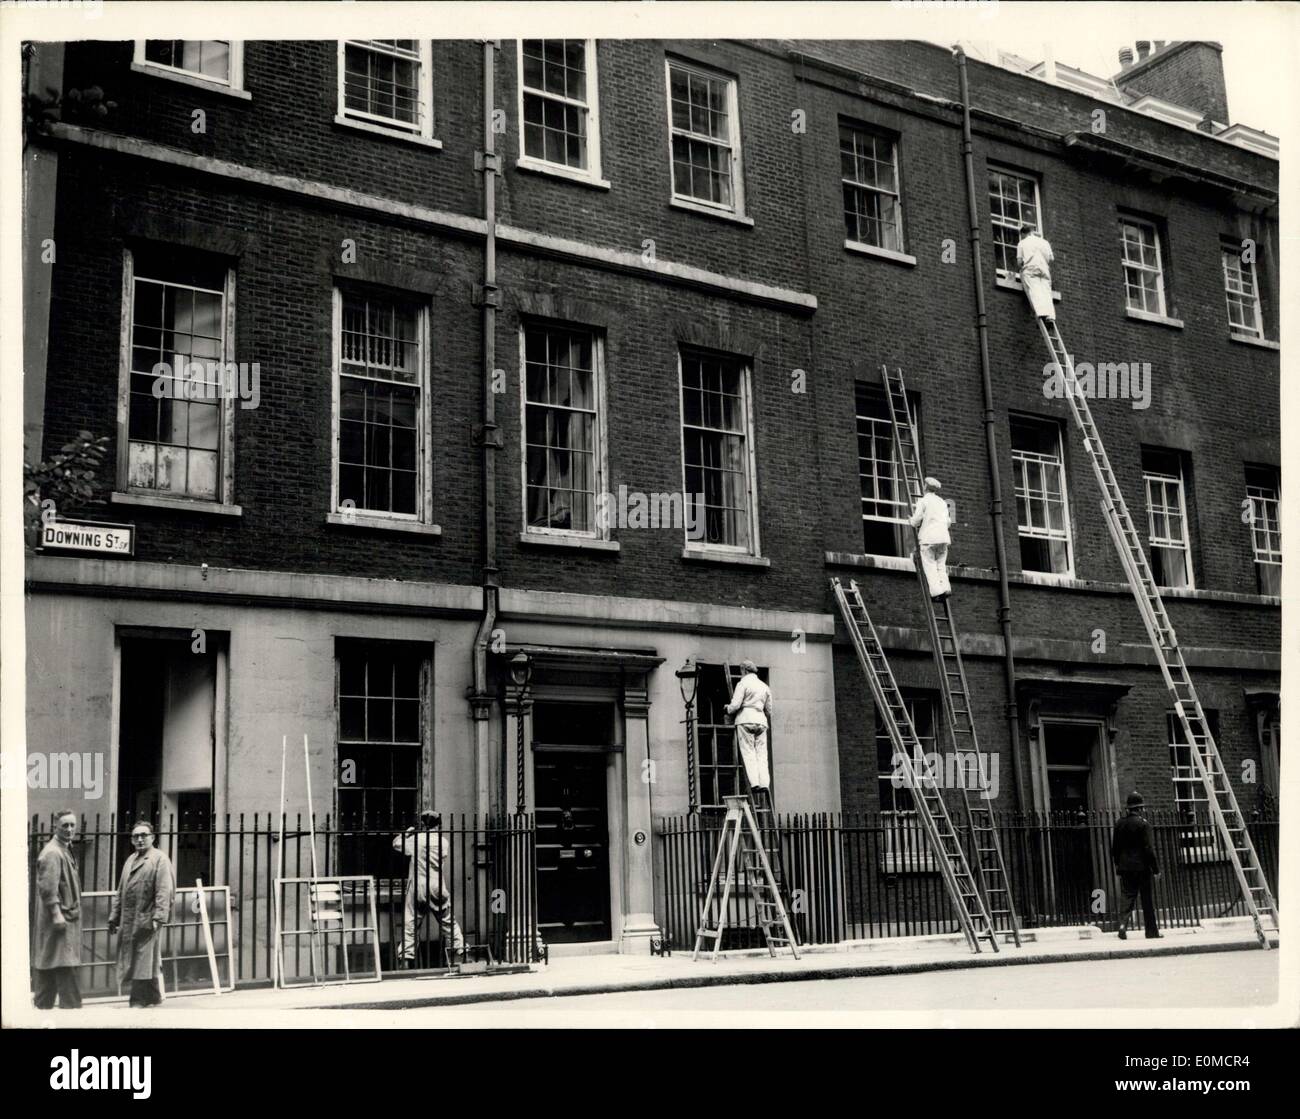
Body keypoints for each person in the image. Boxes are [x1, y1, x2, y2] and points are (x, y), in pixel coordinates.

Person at [108, 821, 175, 1007]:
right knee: (143, 959)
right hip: (129, 920)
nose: (140, 839)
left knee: (142, 959)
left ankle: (137, 1000)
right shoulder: (130, 860)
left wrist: (159, 917)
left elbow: (164, 890)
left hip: (147, 918)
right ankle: (153, 997)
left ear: (152, 837)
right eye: (136, 836)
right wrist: (114, 916)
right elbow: (121, 890)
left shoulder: (160, 859)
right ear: (131, 839)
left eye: (144, 835)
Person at [393, 812, 465, 967]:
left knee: (411, 922)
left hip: (418, 884)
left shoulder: (416, 840)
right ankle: (459, 952)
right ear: (438, 824)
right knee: (447, 921)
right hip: (437, 884)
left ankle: (406, 958)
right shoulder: (443, 842)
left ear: (423, 824)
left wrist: (407, 834)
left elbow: (397, 844)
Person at [33, 810, 83, 1009]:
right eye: (65, 826)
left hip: (63, 919)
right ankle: (67, 1010)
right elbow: (48, 888)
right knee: (64, 966)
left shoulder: (63, 849)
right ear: (56, 827)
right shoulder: (53, 852)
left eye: (72, 825)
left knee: (51, 964)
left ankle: (43, 1008)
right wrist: (56, 914)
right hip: (60, 921)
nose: (70, 829)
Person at [1111, 791, 1162, 940]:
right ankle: (1151, 932)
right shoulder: (1144, 824)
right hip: (1142, 868)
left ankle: (1122, 925)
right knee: (1146, 899)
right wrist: (1156, 869)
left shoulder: (1119, 824)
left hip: (1125, 867)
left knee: (1127, 896)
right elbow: (1148, 849)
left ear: (1128, 808)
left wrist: (1118, 863)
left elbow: (1115, 848)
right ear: (1139, 808)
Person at [725, 660, 774, 809]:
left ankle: (755, 783)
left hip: (745, 719)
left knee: (748, 752)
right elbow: (770, 709)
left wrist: (727, 709)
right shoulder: (765, 686)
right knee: (762, 754)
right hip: (761, 721)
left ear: (744, 670)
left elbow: (735, 705)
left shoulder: (742, 684)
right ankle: (765, 783)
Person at [909, 476, 952, 601]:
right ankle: (946, 587)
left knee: (930, 565)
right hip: (943, 538)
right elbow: (948, 522)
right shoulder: (943, 502)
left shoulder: (923, 501)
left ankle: (937, 592)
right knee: (940, 565)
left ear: (925, 487)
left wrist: (910, 521)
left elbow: (916, 520)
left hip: (929, 539)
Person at [1015, 222, 1055, 322]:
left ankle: (1041, 313)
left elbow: (1019, 262)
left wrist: (1021, 268)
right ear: (1032, 232)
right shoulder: (1044, 242)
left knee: (1034, 289)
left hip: (1030, 269)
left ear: (1023, 234)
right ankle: (1051, 316)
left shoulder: (1022, 243)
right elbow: (1051, 258)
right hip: (1044, 269)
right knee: (1046, 292)